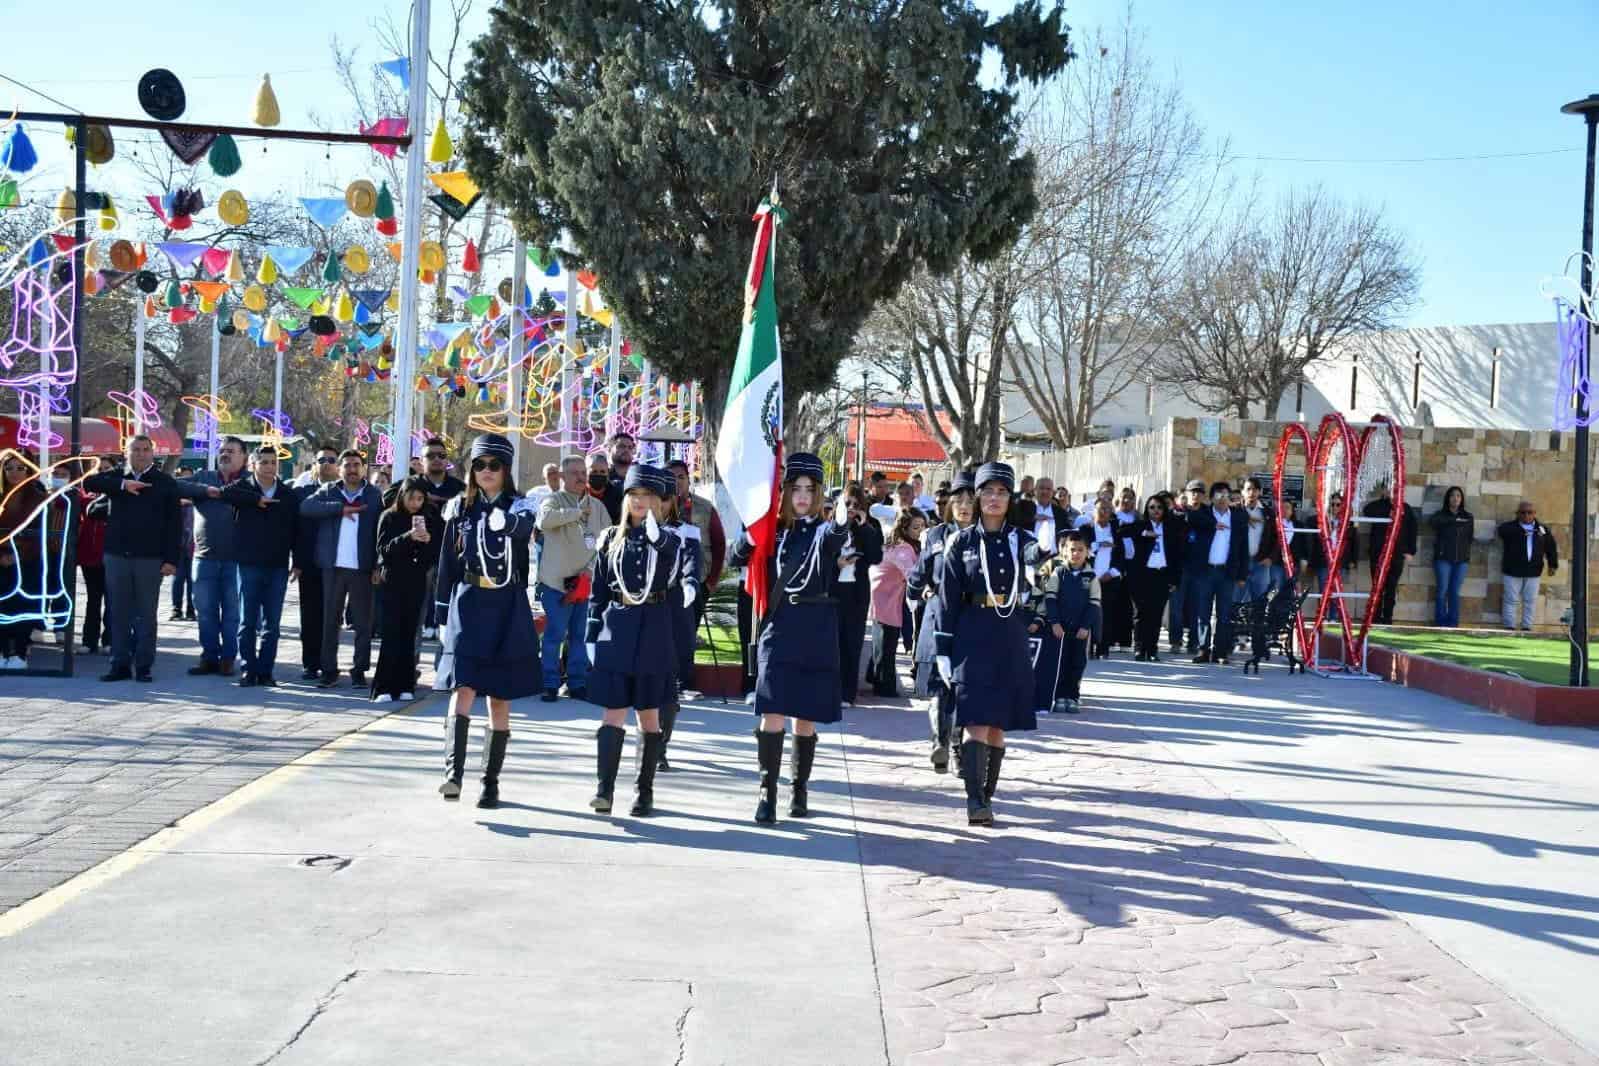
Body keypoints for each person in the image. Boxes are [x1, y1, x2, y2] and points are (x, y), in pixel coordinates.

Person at [729, 453, 850, 824]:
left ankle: (799, 788)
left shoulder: (821, 531)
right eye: (795, 489)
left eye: (809, 490)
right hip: (779, 626)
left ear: (817, 495)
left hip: (815, 626)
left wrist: (841, 520)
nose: (801, 496)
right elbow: (737, 558)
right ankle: (767, 791)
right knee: (772, 711)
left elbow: (834, 539)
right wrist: (750, 534)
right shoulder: (773, 531)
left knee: (806, 716)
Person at [432, 434, 541, 807]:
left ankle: (490, 781)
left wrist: (505, 522)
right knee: (462, 687)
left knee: (498, 698)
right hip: (469, 601)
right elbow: (447, 563)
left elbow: (525, 529)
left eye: (493, 465)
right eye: (479, 465)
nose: (486, 472)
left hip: (507, 605)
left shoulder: (521, 505)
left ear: (505, 469)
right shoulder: (458, 509)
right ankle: (453, 774)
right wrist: (442, 613)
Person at [935, 462, 1040, 827]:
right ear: (977, 497)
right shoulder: (961, 542)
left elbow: (1038, 580)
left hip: (1008, 632)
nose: (995, 499)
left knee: (998, 724)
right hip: (972, 633)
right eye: (988, 492)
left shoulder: (1023, 541)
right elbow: (947, 600)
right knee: (975, 719)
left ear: (1010, 499)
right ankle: (975, 800)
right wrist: (943, 650)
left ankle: (988, 795)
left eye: (1002, 492)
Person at [584, 465, 691, 816]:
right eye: (634, 495)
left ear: (661, 503)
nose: (640, 502)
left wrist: (655, 536)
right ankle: (604, 789)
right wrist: (590, 631)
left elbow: (674, 564)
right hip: (617, 628)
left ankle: (643, 792)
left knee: (648, 715)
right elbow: (598, 592)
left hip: (654, 629)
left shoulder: (671, 540)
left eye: (648, 496)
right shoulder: (610, 538)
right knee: (612, 712)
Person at [83, 435, 182, 682]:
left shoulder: (164, 482)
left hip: (150, 558)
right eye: (135, 449)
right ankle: (120, 664)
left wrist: (171, 559)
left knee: (146, 615)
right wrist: (121, 486)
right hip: (117, 556)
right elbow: (89, 482)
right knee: (118, 613)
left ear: (153, 453)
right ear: (126, 452)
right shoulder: (117, 476)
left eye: (146, 449)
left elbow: (175, 525)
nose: (140, 454)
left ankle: (144, 665)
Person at [907, 470, 975, 773]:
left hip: (970, 620)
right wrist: (915, 592)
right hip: (937, 616)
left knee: (964, 689)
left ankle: (960, 750)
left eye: (969, 500)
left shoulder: (985, 538)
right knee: (938, 686)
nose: (963, 505)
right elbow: (919, 573)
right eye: (957, 499)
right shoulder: (936, 535)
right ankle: (940, 743)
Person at [300, 450, 383, 688]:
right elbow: (306, 507)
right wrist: (339, 509)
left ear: (363, 468)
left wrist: (378, 564)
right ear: (340, 468)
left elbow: (382, 530)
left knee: (363, 624)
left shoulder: (374, 495)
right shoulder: (329, 491)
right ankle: (329, 670)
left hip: (362, 568)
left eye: (356, 465)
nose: (352, 469)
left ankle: (359, 669)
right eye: (347, 465)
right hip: (332, 567)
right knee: (330, 622)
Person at [221, 446, 303, 687]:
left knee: (272, 623)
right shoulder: (243, 488)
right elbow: (224, 493)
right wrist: (256, 499)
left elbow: (297, 531)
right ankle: (248, 668)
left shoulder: (288, 494)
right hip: (248, 564)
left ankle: (266, 670)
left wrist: (297, 563)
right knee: (247, 621)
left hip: (277, 565)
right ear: (253, 465)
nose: (269, 467)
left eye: (273, 462)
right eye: (264, 462)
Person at [535, 455, 610, 702]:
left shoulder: (597, 507)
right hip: (556, 583)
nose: (581, 477)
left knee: (579, 636)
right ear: (563, 477)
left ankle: (577, 683)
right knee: (555, 634)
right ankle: (549, 683)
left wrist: (589, 571)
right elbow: (543, 521)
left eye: (582, 473)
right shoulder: (552, 501)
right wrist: (576, 512)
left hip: (584, 583)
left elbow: (607, 542)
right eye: (575, 473)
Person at [370, 476, 443, 702]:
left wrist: (427, 540)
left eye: (420, 499)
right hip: (392, 581)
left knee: (409, 633)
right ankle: (383, 687)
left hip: (416, 581)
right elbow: (383, 550)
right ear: (402, 496)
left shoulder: (431, 519)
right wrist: (408, 537)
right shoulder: (389, 517)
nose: (415, 503)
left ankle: (405, 684)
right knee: (391, 633)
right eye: (411, 498)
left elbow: (435, 553)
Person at [1184, 482, 1249, 665]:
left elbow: (1243, 548)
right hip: (1206, 571)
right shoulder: (1203, 515)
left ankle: (1221, 651)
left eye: (1226, 496)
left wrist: (1242, 574)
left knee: (1224, 614)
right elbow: (1191, 518)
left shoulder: (1237, 517)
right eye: (1218, 496)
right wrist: (1214, 524)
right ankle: (1204, 650)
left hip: (1226, 572)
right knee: (1202, 613)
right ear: (1211, 498)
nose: (1222, 499)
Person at [0, 453, 55, 669]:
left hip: (27, 561)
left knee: (23, 607)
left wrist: (16, 556)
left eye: (20, 468)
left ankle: (21, 652)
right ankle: (3, 650)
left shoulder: (37, 498)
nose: (14, 473)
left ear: (28, 471)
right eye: (9, 468)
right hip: (1, 559)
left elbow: (42, 533)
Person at [1040, 531, 1100, 714]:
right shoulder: (1059, 572)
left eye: (1080, 550)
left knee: (1077, 663)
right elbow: (1050, 598)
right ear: (1064, 551)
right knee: (1060, 663)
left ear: (1087, 552)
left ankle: (1073, 696)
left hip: (1080, 630)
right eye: (1072, 550)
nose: (1076, 554)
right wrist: (1055, 623)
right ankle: (1059, 696)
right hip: (1060, 630)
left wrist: (1085, 626)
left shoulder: (1091, 576)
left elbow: (1094, 604)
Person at [294, 446, 340, 680]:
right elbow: (297, 530)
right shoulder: (303, 492)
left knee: (331, 616)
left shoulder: (344, 492)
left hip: (337, 564)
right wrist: (297, 561)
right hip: (310, 563)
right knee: (310, 615)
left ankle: (329, 663)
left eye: (332, 460)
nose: (327, 463)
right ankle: (310, 663)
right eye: (322, 459)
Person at [867, 509, 924, 697]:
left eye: (923, 526)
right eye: (916, 527)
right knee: (887, 643)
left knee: (882, 641)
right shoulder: (904, 549)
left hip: (882, 594)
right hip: (886, 597)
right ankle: (884, 686)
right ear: (905, 528)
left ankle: (876, 678)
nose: (920, 531)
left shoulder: (899, 545)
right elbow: (913, 574)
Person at [835, 484, 882, 705]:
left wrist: (863, 526)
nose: (852, 508)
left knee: (852, 642)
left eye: (856, 504)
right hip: (833, 592)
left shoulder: (869, 528)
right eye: (848, 504)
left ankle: (847, 693)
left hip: (856, 593)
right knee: (832, 641)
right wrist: (838, 563)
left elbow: (875, 557)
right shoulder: (831, 525)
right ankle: (830, 690)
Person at [1126, 494, 1181, 661]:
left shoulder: (1170, 527)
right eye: (1152, 507)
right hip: (1143, 574)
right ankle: (1139, 648)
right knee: (1141, 613)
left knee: (1156, 614)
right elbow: (1121, 532)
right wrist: (1143, 533)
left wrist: (1174, 579)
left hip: (1162, 574)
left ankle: (1152, 649)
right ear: (1147, 510)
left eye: (1159, 507)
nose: (1156, 510)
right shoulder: (1140, 525)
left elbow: (1178, 556)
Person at [1361, 483, 1418, 626]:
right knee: (1377, 588)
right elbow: (1366, 510)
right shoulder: (1379, 506)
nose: (1393, 491)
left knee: (1391, 588)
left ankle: (1387, 619)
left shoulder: (1405, 508)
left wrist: (1410, 551)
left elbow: (1413, 529)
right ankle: (1375, 619)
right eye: (1390, 489)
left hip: (1397, 555)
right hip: (1378, 554)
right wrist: (1384, 499)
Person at [1496, 501, 1558, 631]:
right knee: (1510, 600)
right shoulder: (1509, 527)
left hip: (1533, 571)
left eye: (1530, 512)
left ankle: (1527, 627)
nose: (1526, 515)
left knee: (1530, 601)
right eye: (1523, 512)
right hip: (1512, 570)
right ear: (1517, 514)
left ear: (1534, 514)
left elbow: (1551, 548)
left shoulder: (1542, 530)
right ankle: (1509, 626)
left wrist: (1553, 565)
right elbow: (1501, 531)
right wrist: (1521, 531)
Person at [76, 457, 115, 655]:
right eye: (98, 469)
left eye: (107, 469)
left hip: (111, 556)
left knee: (112, 600)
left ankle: (109, 639)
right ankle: (89, 640)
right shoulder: (84, 496)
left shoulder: (118, 495)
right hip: (89, 556)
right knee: (93, 599)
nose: (102, 473)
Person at [1081, 497, 1126, 659]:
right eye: (1100, 509)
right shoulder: (1086, 530)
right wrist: (1099, 545)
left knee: (1106, 614)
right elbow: (1081, 550)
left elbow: (1121, 555)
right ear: (1094, 511)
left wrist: (1112, 572)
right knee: (1087, 612)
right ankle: (1087, 647)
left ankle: (1103, 647)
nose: (1104, 512)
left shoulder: (1116, 531)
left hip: (1109, 579)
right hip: (1089, 578)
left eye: (1107, 509)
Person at [1170, 479, 1207, 652]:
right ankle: (1175, 641)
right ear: (1186, 493)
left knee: (1195, 607)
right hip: (1180, 566)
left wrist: (1188, 516)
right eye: (1192, 492)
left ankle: (1193, 641)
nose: (1195, 495)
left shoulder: (1207, 513)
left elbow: (1206, 523)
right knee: (1176, 606)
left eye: (1199, 492)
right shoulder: (1177, 513)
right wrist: (1184, 514)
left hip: (1199, 567)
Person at [1429, 485, 1473, 628]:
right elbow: (1432, 523)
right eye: (1453, 495)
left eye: (1458, 496)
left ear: (1462, 499)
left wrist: (1465, 554)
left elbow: (1469, 538)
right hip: (1443, 559)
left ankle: (1453, 623)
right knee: (1442, 590)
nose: (1455, 498)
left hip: (1461, 561)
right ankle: (1440, 622)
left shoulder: (1468, 517)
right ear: (1448, 498)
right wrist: (1452, 520)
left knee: (1454, 592)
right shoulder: (1440, 515)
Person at [1241, 477, 1285, 603]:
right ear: (1242, 492)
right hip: (1240, 564)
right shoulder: (1235, 511)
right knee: (1236, 602)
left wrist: (1271, 558)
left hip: (1260, 564)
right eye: (1248, 489)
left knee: (1259, 602)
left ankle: (1256, 623)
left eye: (1255, 489)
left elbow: (1277, 538)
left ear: (1260, 492)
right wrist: (1245, 518)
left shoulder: (1268, 513)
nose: (1251, 493)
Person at [588, 452, 622, 524]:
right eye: (594, 471)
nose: (598, 474)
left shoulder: (618, 494)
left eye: (602, 472)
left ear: (608, 473)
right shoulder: (578, 493)